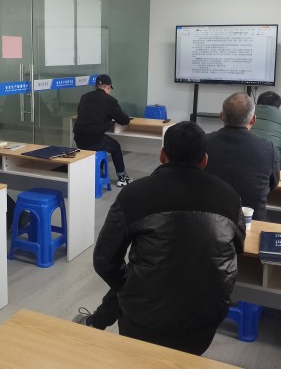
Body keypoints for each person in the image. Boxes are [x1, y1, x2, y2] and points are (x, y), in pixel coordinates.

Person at [74, 121, 245, 355]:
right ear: (204, 160)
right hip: (205, 321)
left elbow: (104, 260)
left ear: (162, 155)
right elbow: (238, 249)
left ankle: (96, 322)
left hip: (141, 321)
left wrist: (128, 284)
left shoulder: (134, 195)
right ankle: (98, 320)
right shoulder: (230, 197)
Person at [205, 92, 280, 221]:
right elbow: (273, 184)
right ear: (253, 120)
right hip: (251, 222)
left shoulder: (203, 143)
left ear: (221, 116)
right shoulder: (268, 148)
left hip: (209, 222)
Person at [73, 74, 133, 187]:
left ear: (96, 86)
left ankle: (98, 172)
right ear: (108, 87)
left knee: (101, 145)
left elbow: (82, 112)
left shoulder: (84, 97)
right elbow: (124, 120)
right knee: (115, 147)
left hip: (78, 138)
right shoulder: (110, 100)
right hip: (94, 139)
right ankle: (122, 177)